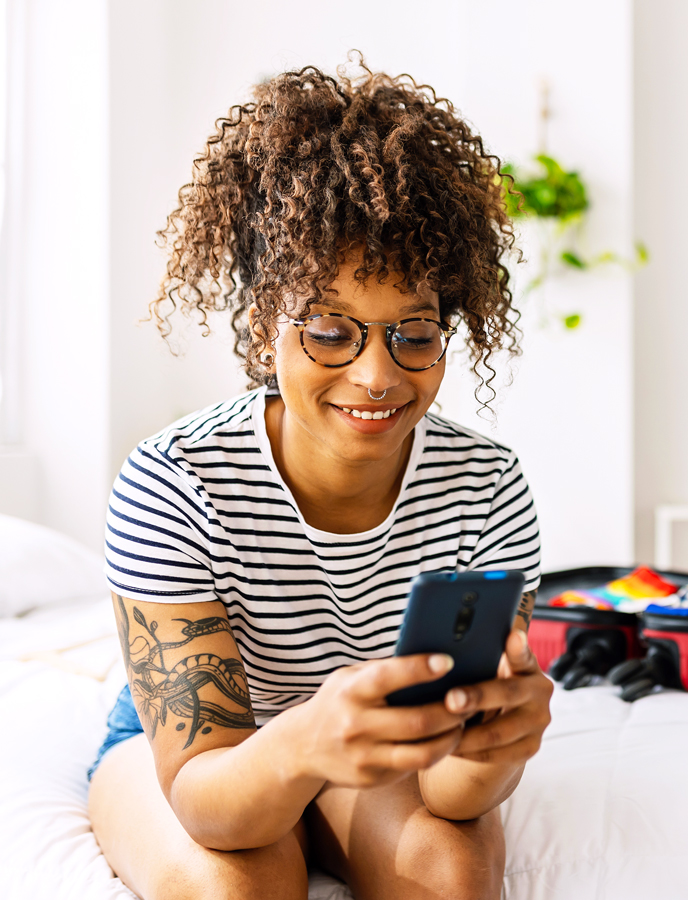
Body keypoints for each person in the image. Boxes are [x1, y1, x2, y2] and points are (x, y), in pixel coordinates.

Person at [87, 61, 552, 900]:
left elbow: (450, 795)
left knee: (452, 875)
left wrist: (493, 753)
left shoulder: (485, 485)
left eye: (414, 334)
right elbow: (209, 804)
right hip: (203, 760)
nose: (377, 375)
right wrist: (303, 742)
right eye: (332, 330)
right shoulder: (175, 483)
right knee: (241, 884)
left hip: (379, 752)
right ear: (268, 323)